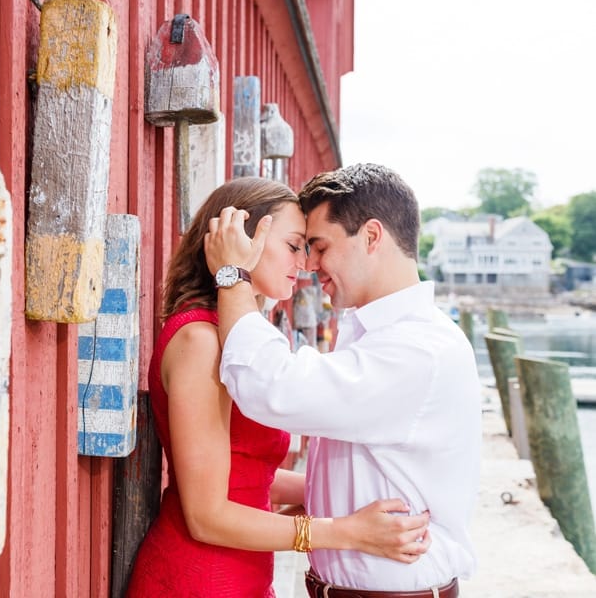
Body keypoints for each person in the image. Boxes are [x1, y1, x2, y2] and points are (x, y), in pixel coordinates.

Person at [126, 177, 433, 598]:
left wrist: (337, 493)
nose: (307, 263)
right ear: (244, 239)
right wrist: (345, 531)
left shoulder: (237, 339)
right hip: (198, 577)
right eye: (294, 246)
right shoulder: (199, 341)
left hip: (243, 574)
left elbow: (246, 476)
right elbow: (206, 515)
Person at [203, 164, 481, 597]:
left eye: (319, 246)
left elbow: (271, 388)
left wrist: (232, 277)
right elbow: (360, 466)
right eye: (302, 247)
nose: (310, 265)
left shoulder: (417, 349)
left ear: (372, 237)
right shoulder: (376, 332)